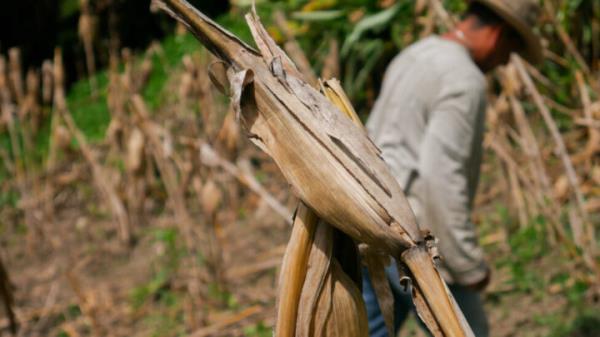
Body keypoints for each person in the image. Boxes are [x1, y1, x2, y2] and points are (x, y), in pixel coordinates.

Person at [362, 1, 543, 336]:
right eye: (510, 51)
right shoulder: (464, 80)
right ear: (498, 35)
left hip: (368, 223)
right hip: (413, 240)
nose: (505, 62)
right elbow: (441, 178)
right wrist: (465, 264)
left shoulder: (414, 54)